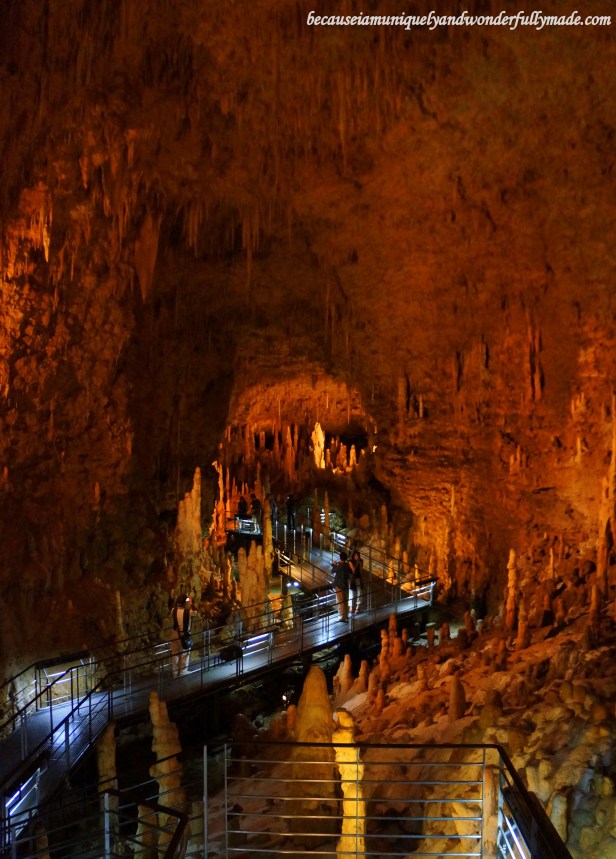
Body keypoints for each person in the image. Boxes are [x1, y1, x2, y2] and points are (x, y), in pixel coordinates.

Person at [171, 594, 197, 678]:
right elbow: (195, 612)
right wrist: (191, 603)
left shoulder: (173, 610)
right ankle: (183, 671)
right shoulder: (188, 612)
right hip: (183, 635)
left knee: (174, 653)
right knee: (185, 653)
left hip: (174, 633)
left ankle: (175, 673)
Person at [332, 551, 351, 622]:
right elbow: (350, 572)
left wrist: (334, 565)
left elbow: (332, 571)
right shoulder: (346, 565)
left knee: (341, 601)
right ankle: (346, 616)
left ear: (340, 558)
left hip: (340, 585)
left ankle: (342, 617)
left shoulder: (340, 565)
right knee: (345, 601)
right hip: (346, 584)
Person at [349, 549, 364, 615]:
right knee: (351, 592)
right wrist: (357, 562)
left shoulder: (361, 561)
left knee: (359, 592)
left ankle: (357, 607)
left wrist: (359, 563)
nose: (356, 557)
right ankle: (351, 607)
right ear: (353, 556)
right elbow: (353, 570)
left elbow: (361, 570)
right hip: (352, 578)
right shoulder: (350, 561)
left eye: (357, 556)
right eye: (355, 556)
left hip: (358, 578)